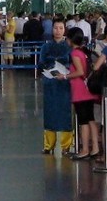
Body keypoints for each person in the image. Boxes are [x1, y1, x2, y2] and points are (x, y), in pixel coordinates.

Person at [39, 19, 73, 155]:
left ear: (64, 30)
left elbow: (73, 63)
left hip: (65, 83)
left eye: (60, 28)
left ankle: (66, 145)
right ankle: (48, 144)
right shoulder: (45, 47)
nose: (58, 31)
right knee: (50, 112)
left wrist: (65, 70)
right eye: (55, 28)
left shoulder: (69, 47)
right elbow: (41, 63)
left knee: (65, 112)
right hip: (50, 82)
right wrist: (49, 69)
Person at [67, 27, 100, 161]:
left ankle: (85, 149)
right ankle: (95, 148)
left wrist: (65, 76)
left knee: (83, 121)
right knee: (91, 119)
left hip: (80, 91)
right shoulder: (84, 52)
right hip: (88, 90)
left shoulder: (75, 53)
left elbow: (80, 72)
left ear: (70, 40)